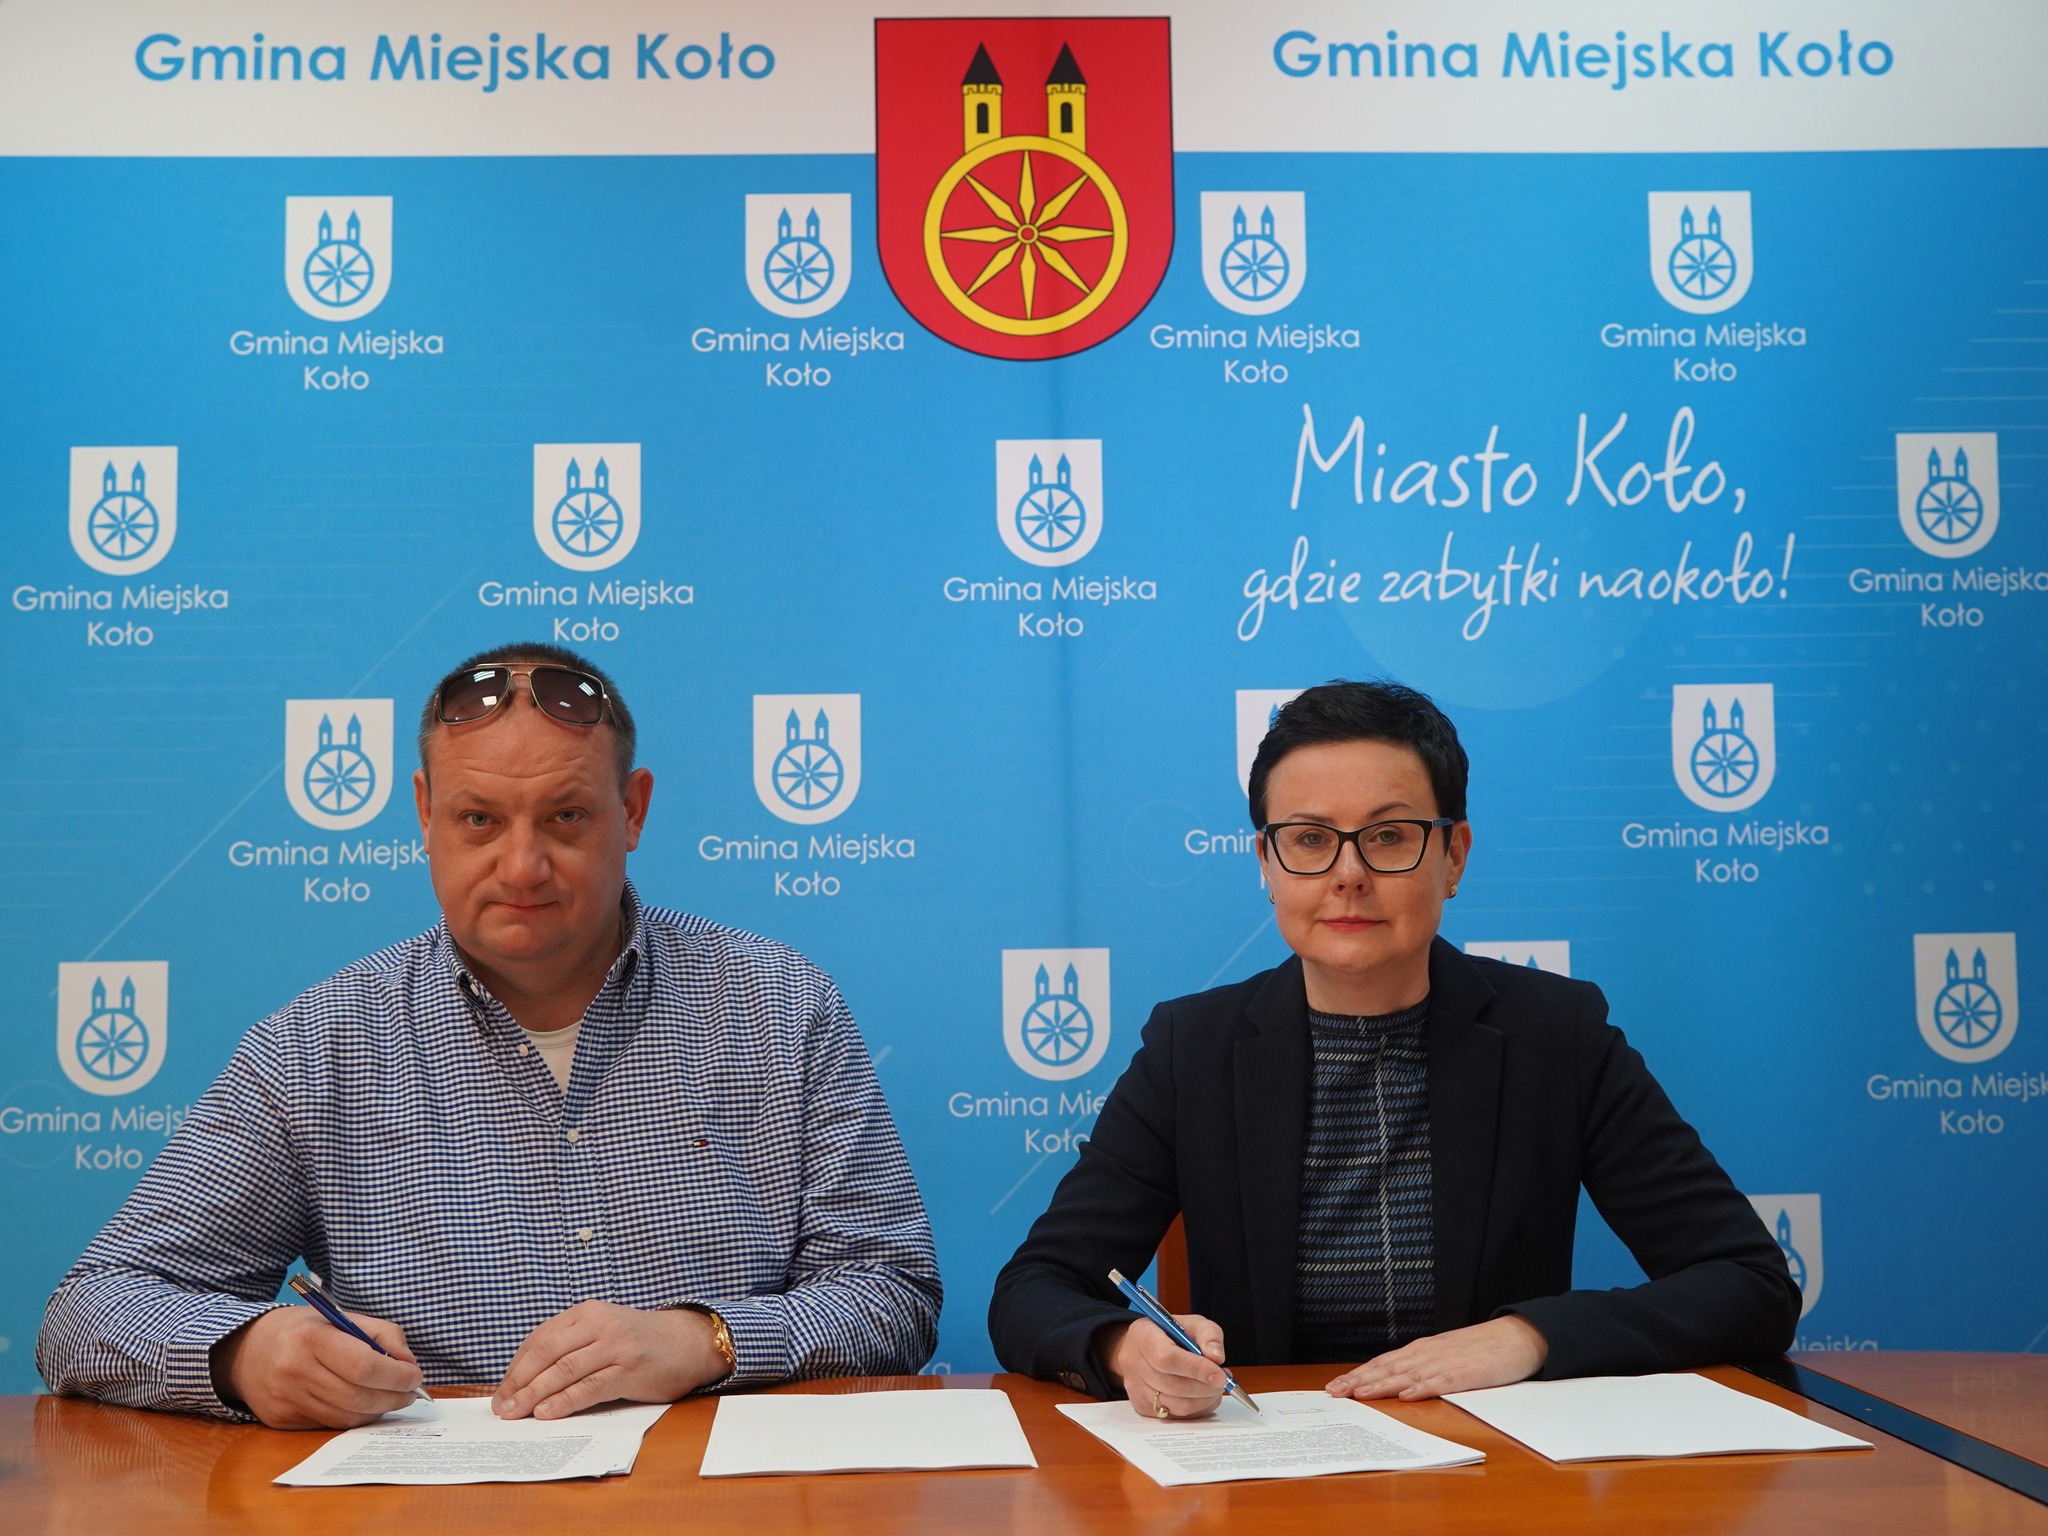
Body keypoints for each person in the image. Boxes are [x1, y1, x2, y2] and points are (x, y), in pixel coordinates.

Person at [40, 642, 941, 1428]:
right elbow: (86, 1313)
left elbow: (895, 1294)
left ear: (633, 811)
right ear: (424, 812)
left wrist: (704, 1339)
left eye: (566, 817)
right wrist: (246, 1353)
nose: (523, 866)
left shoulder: (779, 1006)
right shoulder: (314, 1049)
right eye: (480, 820)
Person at [989, 680, 1798, 1418]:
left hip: (1496, 1467)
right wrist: (1124, 1346)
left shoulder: (1556, 1035)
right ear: (1267, 862)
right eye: (1310, 840)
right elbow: (1034, 1289)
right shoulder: (1191, 1048)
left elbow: (1750, 1283)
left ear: (1454, 856)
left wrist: (1529, 1336)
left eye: (1388, 836)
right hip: (1268, 1467)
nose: (1348, 874)